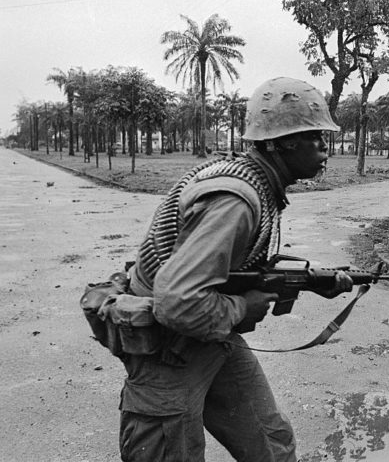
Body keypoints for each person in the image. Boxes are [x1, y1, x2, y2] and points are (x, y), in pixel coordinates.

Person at [119, 77, 354, 462]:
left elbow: (236, 267)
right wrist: (244, 309)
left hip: (211, 334)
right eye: (317, 138)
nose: (326, 149)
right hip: (168, 348)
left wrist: (311, 281)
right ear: (286, 142)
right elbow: (177, 303)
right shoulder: (235, 200)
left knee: (270, 443)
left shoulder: (259, 182)